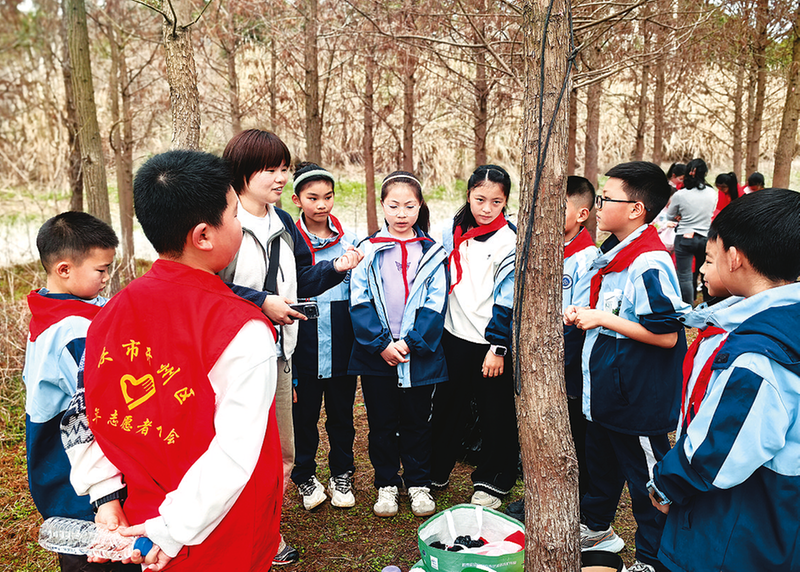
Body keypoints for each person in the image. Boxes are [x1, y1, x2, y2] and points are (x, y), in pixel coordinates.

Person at [60, 150, 283, 571]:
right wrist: (172, 529)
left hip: (142, 519)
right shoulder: (242, 328)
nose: (241, 224)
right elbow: (235, 451)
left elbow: (84, 411)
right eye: (236, 215)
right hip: (220, 528)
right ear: (204, 235)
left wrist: (106, 495)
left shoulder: (109, 314)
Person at [218, 129, 362, 565]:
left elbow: (301, 282)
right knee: (234, 450)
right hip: (232, 358)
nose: (281, 178)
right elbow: (205, 287)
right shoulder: (221, 220)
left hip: (280, 354)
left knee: (281, 454)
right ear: (242, 172)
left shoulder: (281, 221)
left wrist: (336, 268)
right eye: (271, 170)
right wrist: (261, 301)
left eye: (284, 169)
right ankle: (229, 534)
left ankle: (267, 533)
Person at [649, 188, 800, 572]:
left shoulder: (758, 356)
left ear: (735, 258)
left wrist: (665, 485)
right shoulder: (786, 322)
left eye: (711, 257)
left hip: (735, 530)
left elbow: (717, 449)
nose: (705, 267)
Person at [565, 161, 690, 572]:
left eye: (606, 199)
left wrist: (603, 319)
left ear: (636, 209)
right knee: (601, 466)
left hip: (636, 399)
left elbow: (667, 334)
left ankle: (653, 558)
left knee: (647, 482)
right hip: (605, 393)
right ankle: (597, 528)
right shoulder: (614, 254)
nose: (598, 207)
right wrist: (585, 312)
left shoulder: (648, 261)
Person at [23, 212, 136, 572]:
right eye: (101, 270)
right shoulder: (73, 332)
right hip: (80, 480)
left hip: (65, 473)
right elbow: (85, 414)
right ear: (65, 270)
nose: (106, 278)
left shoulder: (51, 308)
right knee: (98, 554)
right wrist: (107, 495)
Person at [348, 171, 448, 518]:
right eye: (394, 206)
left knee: (417, 421)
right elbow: (358, 300)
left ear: (420, 207)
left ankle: (418, 483)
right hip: (378, 354)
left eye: (409, 206)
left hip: (417, 355)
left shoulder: (433, 252)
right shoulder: (367, 250)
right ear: (382, 206)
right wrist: (381, 344)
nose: (401, 214)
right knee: (381, 422)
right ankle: (387, 483)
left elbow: (436, 302)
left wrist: (411, 343)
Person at [430, 165, 518, 510]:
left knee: (495, 413)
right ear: (468, 195)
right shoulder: (449, 232)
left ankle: (493, 481)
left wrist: (498, 346)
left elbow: (508, 298)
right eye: (480, 199)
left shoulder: (509, 240)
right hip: (453, 335)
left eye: (496, 202)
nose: (487, 208)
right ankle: (434, 471)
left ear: (505, 201)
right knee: (447, 406)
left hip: (489, 342)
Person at [289, 162, 359, 510]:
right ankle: (304, 475)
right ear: (296, 200)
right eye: (312, 197)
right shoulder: (289, 242)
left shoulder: (350, 241)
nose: (321, 204)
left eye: (328, 197)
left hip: (343, 341)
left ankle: (342, 473)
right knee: (303, 417)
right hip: (305, 342)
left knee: (342, 415)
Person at [563, 176, 599, 500]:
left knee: (576, 427)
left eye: (559, 208)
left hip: (570, 356)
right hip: (546, 353)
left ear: (582, 214)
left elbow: (579, 319)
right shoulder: (548, 249)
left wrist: (562, 360)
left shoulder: (586, 258)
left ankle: (581, 494)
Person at [667, 158, 717, 304]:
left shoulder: (680, 195)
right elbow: (711, 211)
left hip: (684, 237)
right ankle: (708, 305)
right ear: (705, 173)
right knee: (706, 272)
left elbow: (670, 215)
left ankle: (687, 307)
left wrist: (680, 216)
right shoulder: (712, 193)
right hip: (705, 237)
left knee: (684, 276)